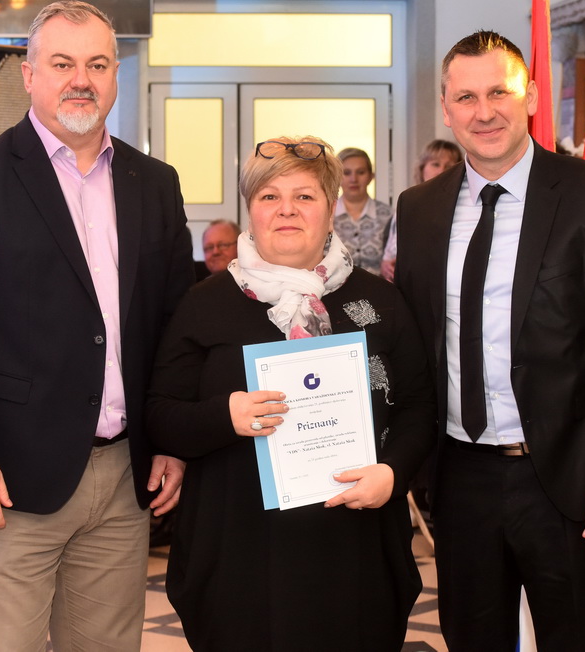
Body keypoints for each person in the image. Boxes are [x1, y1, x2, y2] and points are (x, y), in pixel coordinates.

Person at [0, 2, 194, 650]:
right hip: (6, 480)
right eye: (62, 63)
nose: (81, 80)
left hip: (123, 479)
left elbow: (175, 326)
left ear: (116, 75)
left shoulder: (155, 183)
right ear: (29, 75)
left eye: (97, 64)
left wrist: (173, 438)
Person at [394, 31, 585, 651]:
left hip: (570, 484)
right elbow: (413, 341)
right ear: (446, 108)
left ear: (533, 97)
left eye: (500, 92)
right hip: (459, 480)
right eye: (466, 97)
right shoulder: (419, 208)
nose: (483, 112)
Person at [146, 136, 431, 651]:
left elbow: (418, 407)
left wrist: (393, 473)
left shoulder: (380, 300)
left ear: (331, 206)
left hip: (356, 550)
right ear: (250, 209)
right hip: (237, 552)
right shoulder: (204, 304)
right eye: (269, 196)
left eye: (304, 196)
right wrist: (224, 415)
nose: (287, 210)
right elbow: (161, 415)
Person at [381, 139, 463, 281]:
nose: (441, 170)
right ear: (422, 168)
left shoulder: (463, 206)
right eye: (435, 164)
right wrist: (386, 265)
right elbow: (389, 255)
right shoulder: (408, 203)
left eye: (449, 166)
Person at [332, 147, 393, 275]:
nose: (353, 179)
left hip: (378, 286)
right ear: (337, 177)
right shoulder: (326, 215)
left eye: (360, 172)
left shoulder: (389, 215)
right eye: (347, 173)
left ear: (371, 176)